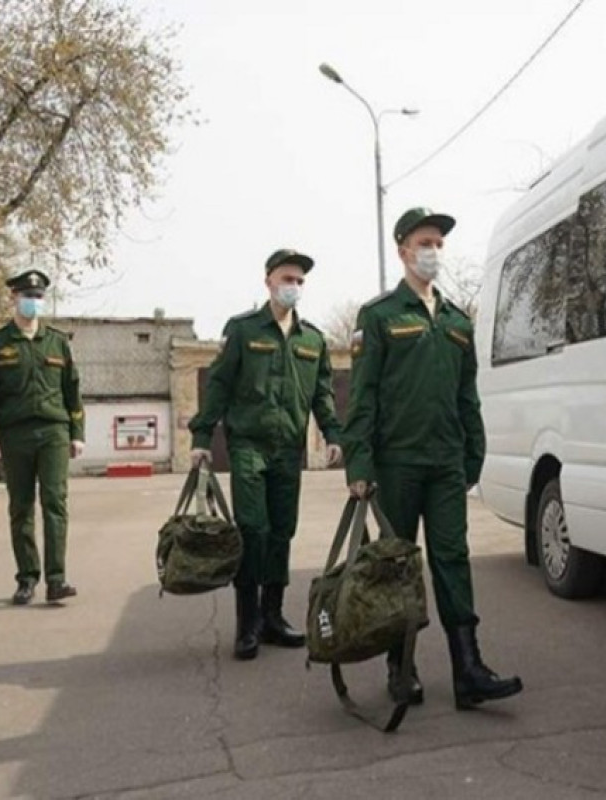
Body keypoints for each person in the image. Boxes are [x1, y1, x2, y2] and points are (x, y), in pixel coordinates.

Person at [341, 207, 523, 710]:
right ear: (403, 250)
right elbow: (363, 398)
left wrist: (474, 456)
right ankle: (401, 668)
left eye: (440, 244)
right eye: (425, 243)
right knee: (397, 566)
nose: (434, 252)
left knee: (453, 562)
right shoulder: (378, 317)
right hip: (396, 464)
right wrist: (359, 465)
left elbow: (468, 397)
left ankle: (468, 670)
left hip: (446, 464)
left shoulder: (457, 320)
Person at [189, 249, 343, 660]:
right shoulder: (243, 330)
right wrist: (202, 437)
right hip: (249, 446)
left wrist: (332, 434)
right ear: (268, 282)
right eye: (286, 278)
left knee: (282, 532)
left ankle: (273, 617)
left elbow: (322, 394)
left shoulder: (313, 339)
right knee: (253, 529)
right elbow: (219, 385)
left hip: (287, 450)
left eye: (299, 281)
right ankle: (248, 623)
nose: (293, 286)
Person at [0, 270, 84, 606]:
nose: (32, 302)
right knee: (21, 508)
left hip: (54, 432)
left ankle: (57, 579)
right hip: (14, 434)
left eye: (37, 297)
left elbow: (72, 392)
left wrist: (77, 432)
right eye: (26, 296)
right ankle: (27, 578)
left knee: (55, 503)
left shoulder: (57, 342)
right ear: (14, 298)